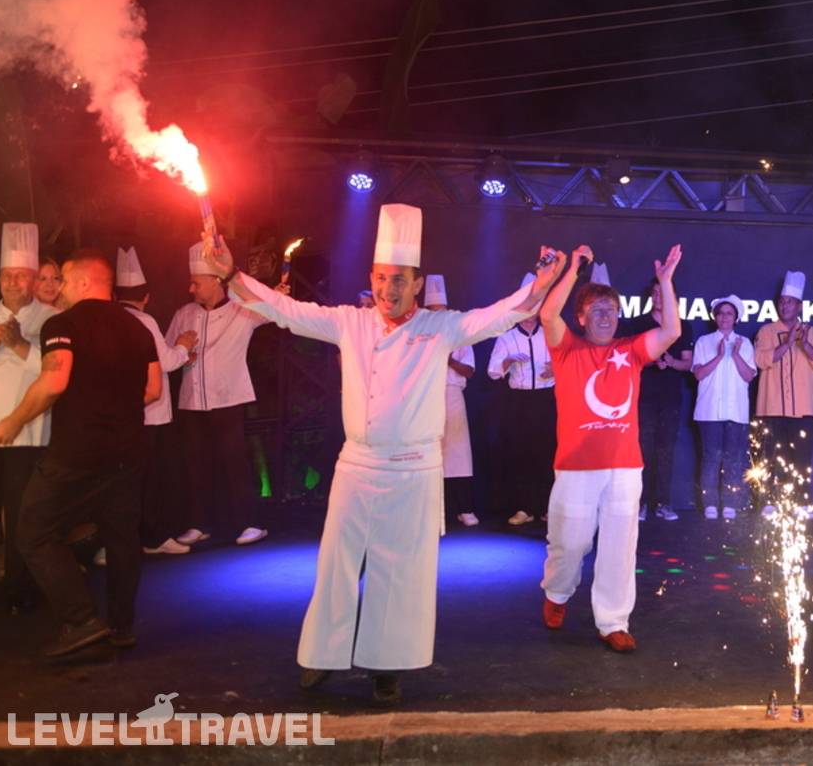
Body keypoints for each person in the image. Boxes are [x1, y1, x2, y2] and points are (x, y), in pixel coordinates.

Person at [204, 204, 563, 704]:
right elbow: (286, 311)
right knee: (336, 564)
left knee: (401, 574)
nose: (387, 289)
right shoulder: (350, 323)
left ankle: (387, 664)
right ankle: (323, 653)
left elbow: (500, 314)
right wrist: (231, 276)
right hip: (357, 464)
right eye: (380, 278)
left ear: (417, 284)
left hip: (414, 470)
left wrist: (540, 285)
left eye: (398, 280)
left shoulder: (441, 328)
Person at [0, 249, 159, 657]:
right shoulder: (138, 327)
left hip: (77, 451)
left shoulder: (61, 323)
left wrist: (13, 421)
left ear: (84, 282)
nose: (58, 288)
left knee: (32, 531)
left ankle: (81, 620)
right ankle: (121, 627)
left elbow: (54, 381)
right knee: (122, 539)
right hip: (128, 450)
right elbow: (153, 389)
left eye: (64, 280)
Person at [539, 243, 682, 653]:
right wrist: (573, 269)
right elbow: (547, 315)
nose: (606, 315)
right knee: (570, 543)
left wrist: (665, 281)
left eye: (612, 309)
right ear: (581, 317)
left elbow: (671, 332)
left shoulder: (630, 350)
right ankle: (557, 591)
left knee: (620, 546)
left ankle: (613, 621)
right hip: (576, 466)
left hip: (624, 466)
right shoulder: (567, 348)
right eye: (596, 309)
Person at [168, 243, 272, 548]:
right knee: (194, 464)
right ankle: (198, 523)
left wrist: (269, 289)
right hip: (191, 401)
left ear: (215, 281)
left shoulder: (241, 310)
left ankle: (249, 522)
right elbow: (167, 350)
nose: (191, 289)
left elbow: (270, 309)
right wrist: (181, 350)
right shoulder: (184, 314)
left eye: (196, 283)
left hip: (228, 399)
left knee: (235, 462)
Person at [0, 224, 57, 613]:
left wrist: (17, 344)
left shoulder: (51, 319)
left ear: (32, 279)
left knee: (20, 517)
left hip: (29, 432)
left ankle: (18, 591)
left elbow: (55, 372)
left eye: (21, 276)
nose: (13, 283)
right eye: (6, 276)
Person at [115, 248, 200, 555]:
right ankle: (153, 538)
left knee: (125, 480)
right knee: (151, 479)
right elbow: (165, 361)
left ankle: (121, 540)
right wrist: (183, 346)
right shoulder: (145, 320)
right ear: (147, 296)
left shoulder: (111, 318)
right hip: (150, 412)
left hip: (122, 411)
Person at [753, 271, 813, 513]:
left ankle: (801, 502)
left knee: (802, 458)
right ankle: (769, 501)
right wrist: (787, 344)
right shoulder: (766, 331)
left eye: (790, 302)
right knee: (771, 456)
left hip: (804, 408)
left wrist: (804, 344)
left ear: (799, 306)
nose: (785, 306)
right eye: (782, 302)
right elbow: (760, 360)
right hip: (772, 406)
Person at [618, 276, 693, 522]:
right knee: (643, 449)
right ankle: (640, 503)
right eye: (655, 293)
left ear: (674, 296)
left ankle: (663, 503)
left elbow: (688, 362)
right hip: (644, 396)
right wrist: (650, 361)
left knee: (666, 450)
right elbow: (628, 358)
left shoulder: (682, 326)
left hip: (670, 397)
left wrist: (671, 362)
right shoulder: (638, 323)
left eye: (664, 292)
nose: (659, 297)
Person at [487, 279, 556, 526]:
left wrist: (555, 369)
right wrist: (509, 361)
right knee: (521, 453)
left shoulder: (550, 333)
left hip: (547, 399)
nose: (529, 316)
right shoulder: (506, 338)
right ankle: (524, 508)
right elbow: (493, 371)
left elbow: (566, 362)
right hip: (519, 401)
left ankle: (548, 507)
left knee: (548, 452)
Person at [691, 295, 755, 519]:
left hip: (736, 411)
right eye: (720, 313)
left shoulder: (744, 343)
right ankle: (710, 503)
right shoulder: (704, 341)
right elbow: (699, 374)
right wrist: (719, 355)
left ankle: (730, 503)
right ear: (715, 317)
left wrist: (735, 354)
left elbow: (748, 376)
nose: (724, 317)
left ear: (736, 318)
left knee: (733, 459)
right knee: (711, 457)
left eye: (729, 313)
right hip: (708, 411)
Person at [424, 274, 479, 527]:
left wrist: (448, 359)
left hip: (453, 392)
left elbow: (470, 370)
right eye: (433, 310)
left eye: (442, 310)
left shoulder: (459, 334)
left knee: (458, 452)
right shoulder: (420, 335)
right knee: (430, 451)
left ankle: (465, 508)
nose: (439, 315)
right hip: (426, 395)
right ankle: (433, 511)